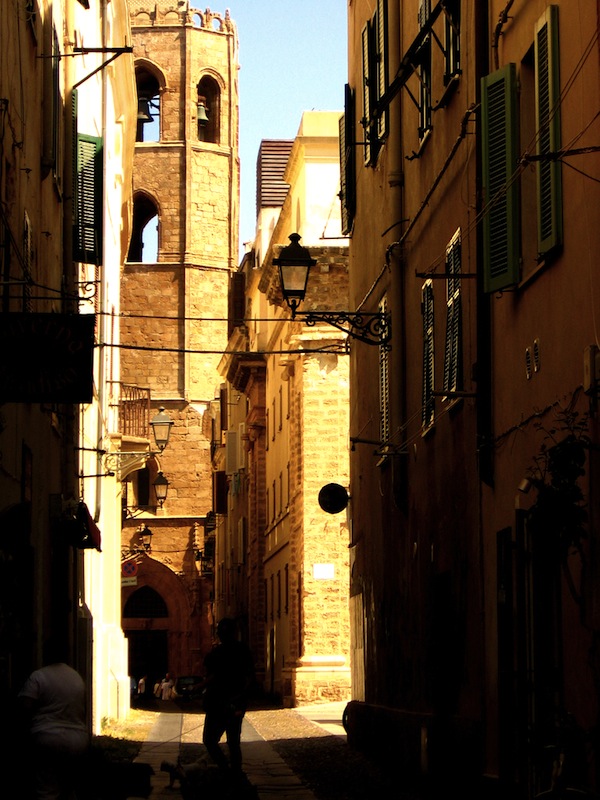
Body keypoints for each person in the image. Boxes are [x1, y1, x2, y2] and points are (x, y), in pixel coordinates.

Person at [18, 638, 89, 800]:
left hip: (46, 738)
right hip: (76, 740)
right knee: (69, 790)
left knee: (46, 790)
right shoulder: (76, 678)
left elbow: (24, 708)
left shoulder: (38, 677)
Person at [201, 617, 255, 774]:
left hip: (219, 703)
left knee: (211, 740)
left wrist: (199, 687)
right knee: (232, 742)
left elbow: (212, 676)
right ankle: (234, 773)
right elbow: (249, 677)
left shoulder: (218, 653)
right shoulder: (243, 651)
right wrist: (242, 700)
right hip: (231, 703)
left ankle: (228, 770)